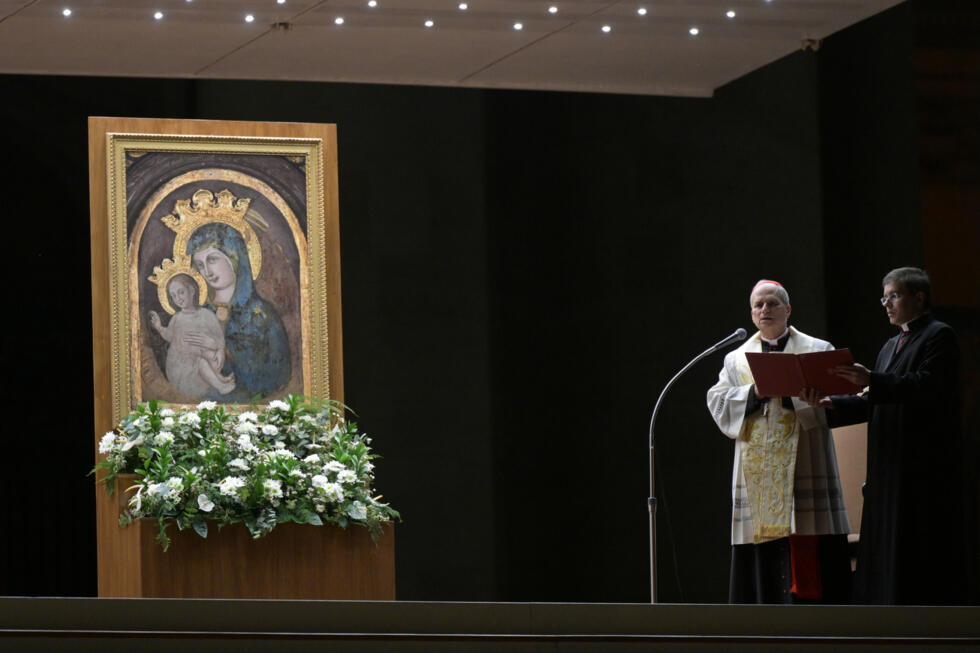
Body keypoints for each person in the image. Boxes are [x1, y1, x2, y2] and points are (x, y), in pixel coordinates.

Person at [820, 267, 965, 605]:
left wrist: (871, 377)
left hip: (919, 467)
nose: (886, 303)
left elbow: (927, 385)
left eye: (894, 295)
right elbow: (873, 397)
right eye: (883, 297)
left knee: (915, 552)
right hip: (886, 467)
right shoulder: (890, 345)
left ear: (918, 298)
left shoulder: (939, 336)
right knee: (883, 551)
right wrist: (832, 404)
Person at [707, 280, 851, 604]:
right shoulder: (736, 359)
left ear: (788, 309)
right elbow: (717, 400)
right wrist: (752, 394)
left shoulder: (817, 349)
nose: (764, 310)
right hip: (757, 472)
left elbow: (837, 399)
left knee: (809, 540)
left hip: (805, 460)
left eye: (772, 303)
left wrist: (809, 399)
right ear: (751, 314)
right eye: (758, 305)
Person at [186, 222, 291, 401]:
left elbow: (276, 376)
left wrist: (225, 349)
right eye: (200, 264)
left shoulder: (262, 316)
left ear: (235, 258)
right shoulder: (199, 315)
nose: (207, 272)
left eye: (212, 260)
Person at [149, 274, 236, 398]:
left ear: (192, 291)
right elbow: (169, 336)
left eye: (181, 292)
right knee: (200, 361)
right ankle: (220, 385)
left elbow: (219, 339)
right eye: (173, 296)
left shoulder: (207, 315)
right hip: (181, 367)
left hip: (201, 360)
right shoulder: (177, 318)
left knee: (208, 355)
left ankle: (220, 378)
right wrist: (159, 327)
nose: (178, 298)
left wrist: (214, 346)